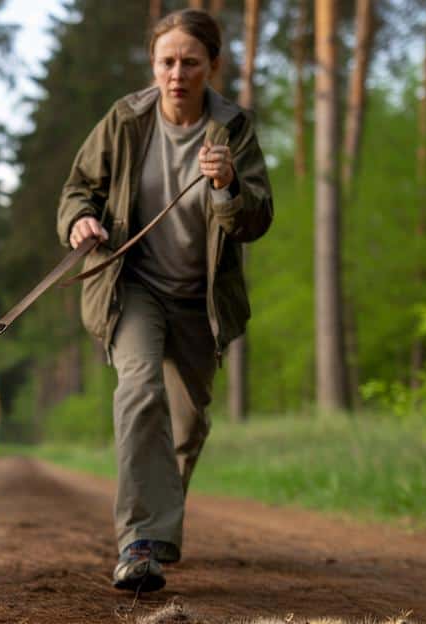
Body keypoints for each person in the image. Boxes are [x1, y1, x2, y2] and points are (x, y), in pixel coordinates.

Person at [56, 8, 273, 592]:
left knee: (187, 424)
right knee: (139, 391)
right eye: (166, 61)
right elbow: (80, 188)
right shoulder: (126, 119)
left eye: (190, 62)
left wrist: (227, 185)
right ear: (154, 64)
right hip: (133, 286)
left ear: (213, 66)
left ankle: (159, 524)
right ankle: (140, 542)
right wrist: (80, 221)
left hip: (201, 300)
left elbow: (256, 221)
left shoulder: (234, 130)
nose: (177, 73)